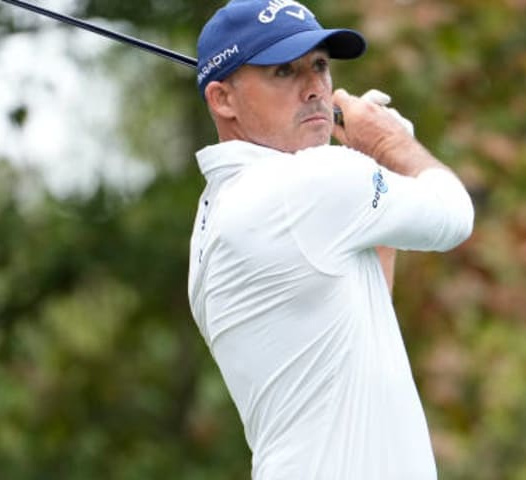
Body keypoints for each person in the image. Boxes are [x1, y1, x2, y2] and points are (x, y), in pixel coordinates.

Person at [187, 1, 474, 478]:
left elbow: (366, 298)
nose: (315, 90)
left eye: (319, 66)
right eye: (283, 71)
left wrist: (375, 167)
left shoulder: (216, 213)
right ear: (223, 99)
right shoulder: (310, 184)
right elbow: (456, 215)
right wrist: (389, 144)